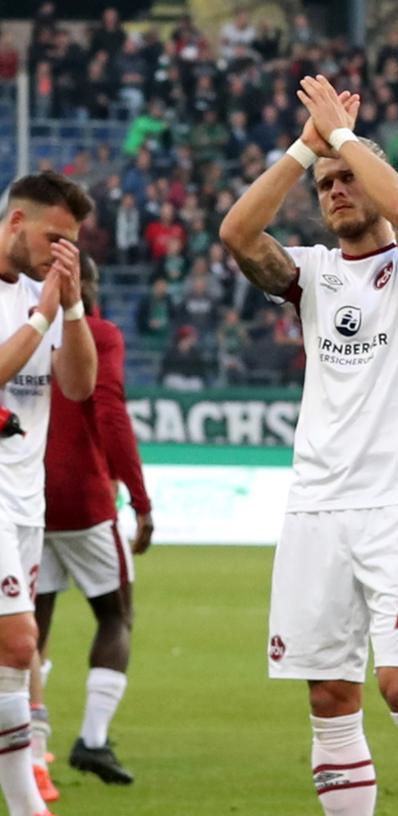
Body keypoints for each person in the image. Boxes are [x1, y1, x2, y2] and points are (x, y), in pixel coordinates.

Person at [219, 78, 398, 815]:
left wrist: (348, 138)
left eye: (346, 178)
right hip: (317, 506)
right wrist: (307, 146)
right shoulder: (313, 276)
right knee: (329, 693)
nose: (334, 190)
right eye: (325, 184)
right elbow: (237, 236)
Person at [35, 253, 152, 797]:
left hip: (25, 500)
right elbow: (110, 412)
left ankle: (32, 748)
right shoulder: (100, 334)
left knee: (31, 626)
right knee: (117, 616)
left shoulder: (20, 333)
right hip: (83, 500)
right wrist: (141, 501)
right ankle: (93, 738)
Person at [0, 170, 98, 816]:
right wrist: (41, 314)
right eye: (54, 236)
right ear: (15, 222)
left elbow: (79, 386)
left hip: (24, 498)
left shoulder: (45, 295)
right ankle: (31, 806)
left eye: (73, 242)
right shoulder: (24, 302)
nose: (61, 251)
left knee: (9, 663)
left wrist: (70, 306)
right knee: (18, 642)